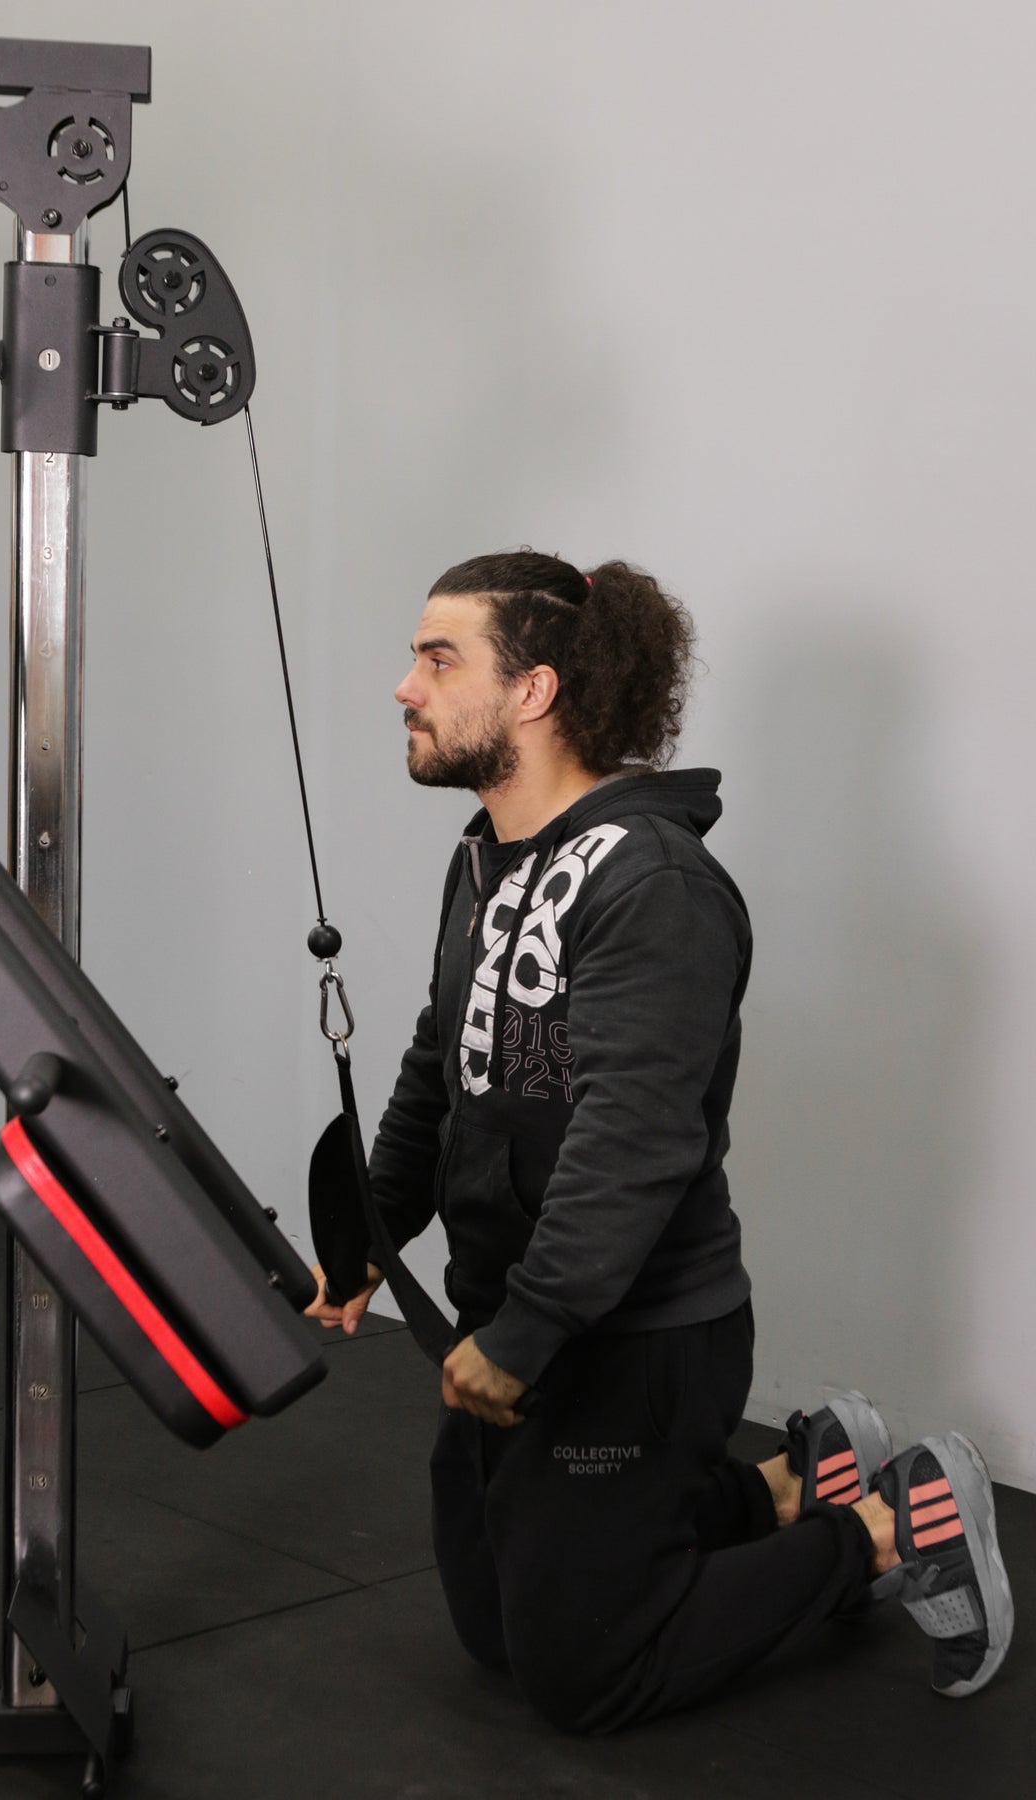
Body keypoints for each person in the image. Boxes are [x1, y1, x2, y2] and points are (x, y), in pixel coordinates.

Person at [305, 550, 1013, 1731]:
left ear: (533, 690)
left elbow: (631, 1145)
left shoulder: (655, 885)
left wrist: (525, 1335)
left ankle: (893, 1525)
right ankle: (791, 1484)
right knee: (494, 1632)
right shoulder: (484, 859)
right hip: (523, 1314)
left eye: (439, 660)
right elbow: (444, 1062)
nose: (406, 687)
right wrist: (374, 1233)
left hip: (635, 1340)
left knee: (581, 1675)